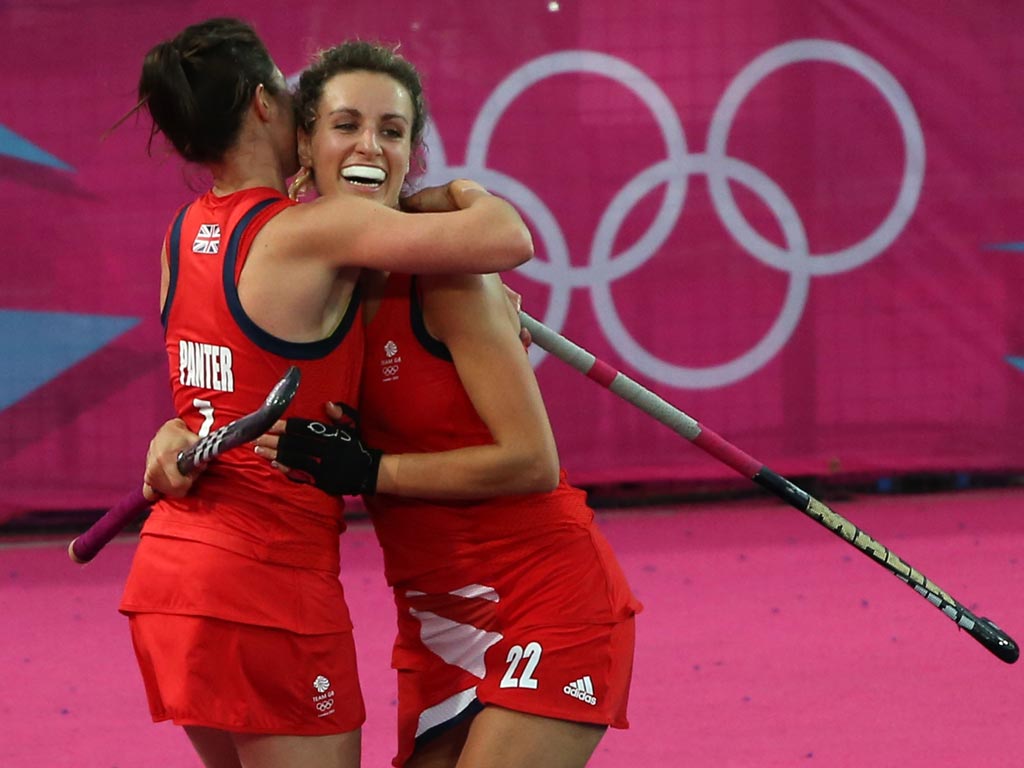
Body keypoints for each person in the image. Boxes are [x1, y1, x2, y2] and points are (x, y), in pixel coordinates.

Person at [120, 18, 532, 768]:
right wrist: (450, 194)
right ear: (263, 105)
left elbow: (212, 397)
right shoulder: (317, 231)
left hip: (168, 579)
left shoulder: (180, 236)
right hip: (266, 584)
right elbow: (506, 237)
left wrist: (169, 436)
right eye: (291, 96)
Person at [253, 41, 643, 767]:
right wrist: (175, 436)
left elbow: (531, 462)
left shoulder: (449, 277)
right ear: (303, 144)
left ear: (412, 154)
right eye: (346, 125)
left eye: (392, 131)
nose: (370, 146)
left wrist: (372, 472)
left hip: (542, 598)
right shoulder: (307, 283)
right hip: (436, 623)